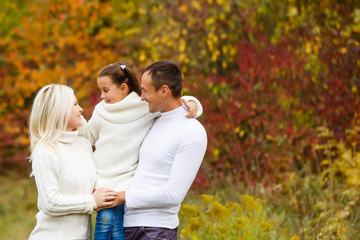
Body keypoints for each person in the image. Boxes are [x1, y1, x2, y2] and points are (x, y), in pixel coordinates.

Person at [78, 62, 203, 240]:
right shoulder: (156, 120)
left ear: (164, 91)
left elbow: (174, 194)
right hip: (129, 221)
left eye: (145, 91)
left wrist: (123, 196)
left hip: (155, 228)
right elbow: (170, 107)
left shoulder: (190, 131)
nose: (141, 97)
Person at [28, 84, 117, 240]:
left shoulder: (83, 144)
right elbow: (50, 203)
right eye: (75, 104)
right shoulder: (45, 149)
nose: (81, 109)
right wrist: (92, 201)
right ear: (59, 111)